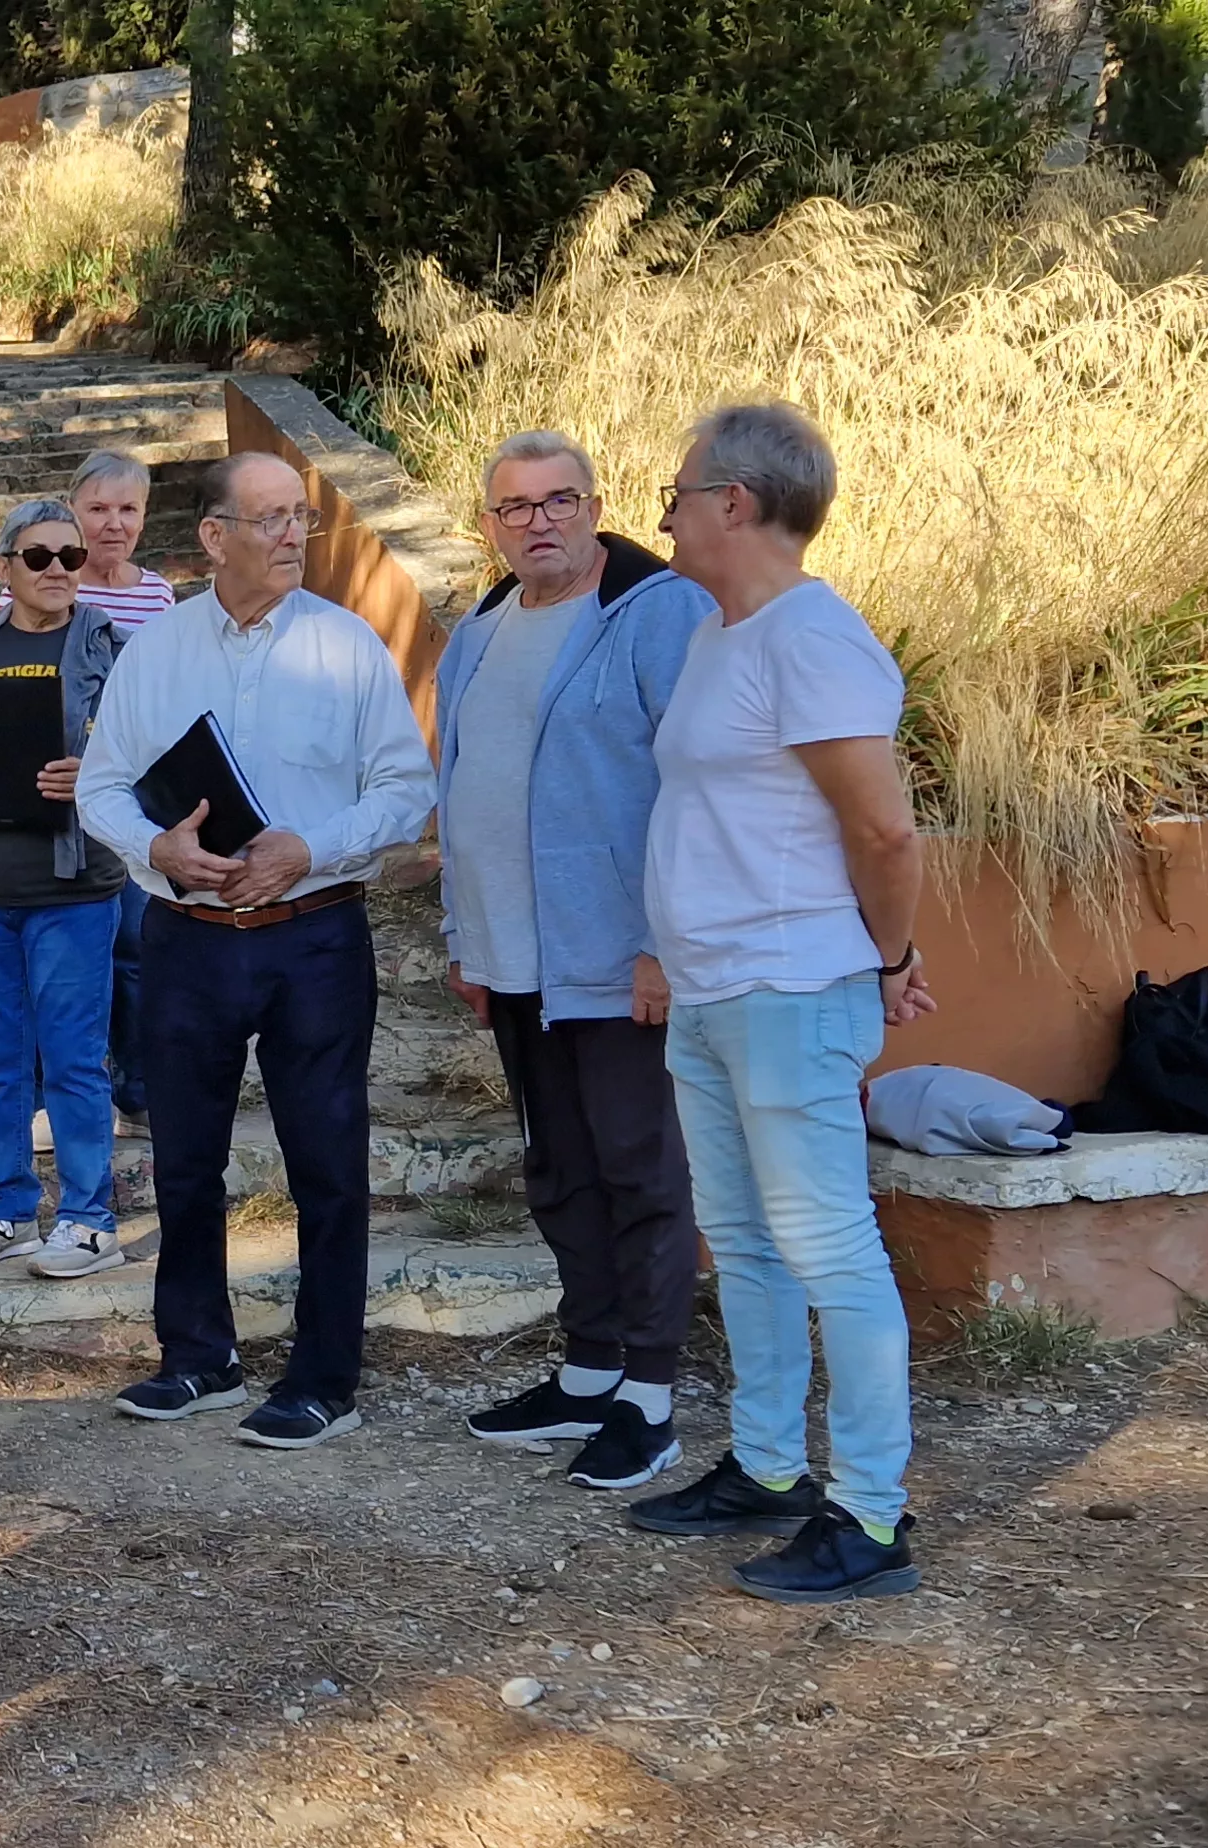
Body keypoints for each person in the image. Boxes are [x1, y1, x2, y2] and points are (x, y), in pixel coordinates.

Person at [622, 403, 934, 1603]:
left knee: (829, 1250)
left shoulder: (813, 639)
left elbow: (885, 829)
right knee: (745, 1244)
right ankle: (762, 1467)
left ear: (735, 503)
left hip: (791, 987)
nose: (665, 512)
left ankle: (868, 1514)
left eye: (678, 490)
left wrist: (888, 958)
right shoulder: (723, 635)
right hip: (713, 987)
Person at [74, 451, 432, 1445]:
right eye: (268, 520)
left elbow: (406, 789)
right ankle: (197, 1358)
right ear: (213, 537)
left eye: (299, 520)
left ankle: (323, 1379)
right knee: (185, 1162)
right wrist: (159, 848)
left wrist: (309, 847)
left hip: (312, 938)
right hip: (184, 940)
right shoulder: (156, 653)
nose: (289, 538)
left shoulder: (349, 644)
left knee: (326, 1164)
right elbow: (102, 785)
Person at [435, 430, 712, 1493]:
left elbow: (696, 787)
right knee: (558, 1169)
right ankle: (590, 1366)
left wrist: (661, 945)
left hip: (616, 961)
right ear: (490, 525)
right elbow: (460, 791)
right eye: (514, 507)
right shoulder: (482, 627)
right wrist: (466, 938)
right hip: (512, 962)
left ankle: (649, 1393)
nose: (538, 520)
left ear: (594, 506)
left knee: (639, 1170)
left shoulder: (654, 612)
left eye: (559, 500)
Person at [0, 500, 128, 1276]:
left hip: (73, 885)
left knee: (73, 1058)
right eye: (38, 557)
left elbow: (154, 757)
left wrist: (99, 776)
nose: (56, 572)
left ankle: (89, 1219)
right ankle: (8, 1208)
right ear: (3, 569)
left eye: (70, 558)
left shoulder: (115, 648)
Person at [65, 449, 179, 1128]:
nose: (113, 524)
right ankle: (76, 1082)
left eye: (128, 509)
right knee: (78, 947)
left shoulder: (158, 594)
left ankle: (136, 1079)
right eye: (98, 509)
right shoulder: (43, 578)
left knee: (136, 941)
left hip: (135, 795)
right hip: (61, 791)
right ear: (73, 513)